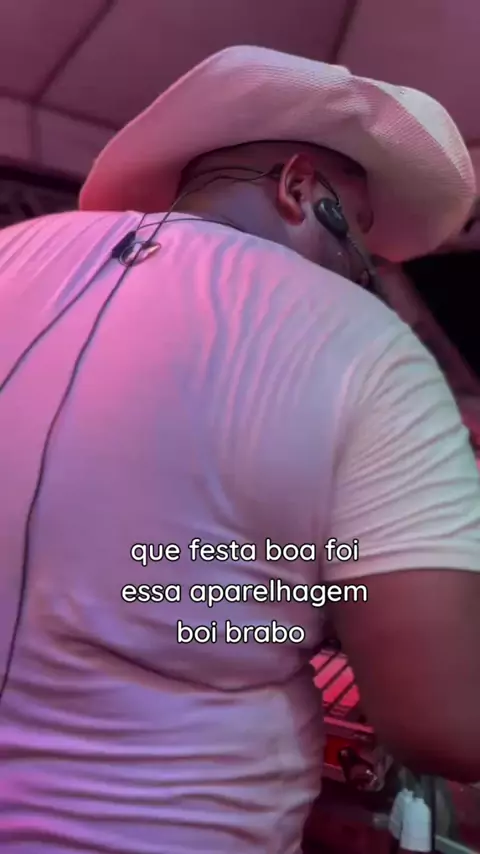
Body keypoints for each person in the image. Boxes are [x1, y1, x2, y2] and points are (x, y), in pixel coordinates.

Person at [0, 44, 479, 854]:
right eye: (358, 243)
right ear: (300, 188)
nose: (359, 275)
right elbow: (445, 721)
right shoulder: (361, 344)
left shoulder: (13, 254)